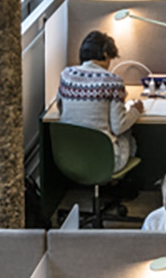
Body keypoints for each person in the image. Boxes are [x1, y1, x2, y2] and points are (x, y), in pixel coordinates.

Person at [57, 30, 142, 172]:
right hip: (105, 161)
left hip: (69, 158)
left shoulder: (67, 75)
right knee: (127, 135)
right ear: (105, 54)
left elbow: (60, 108)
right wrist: (135, 111)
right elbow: (118, 127)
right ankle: (117, 182)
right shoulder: (113, 81)